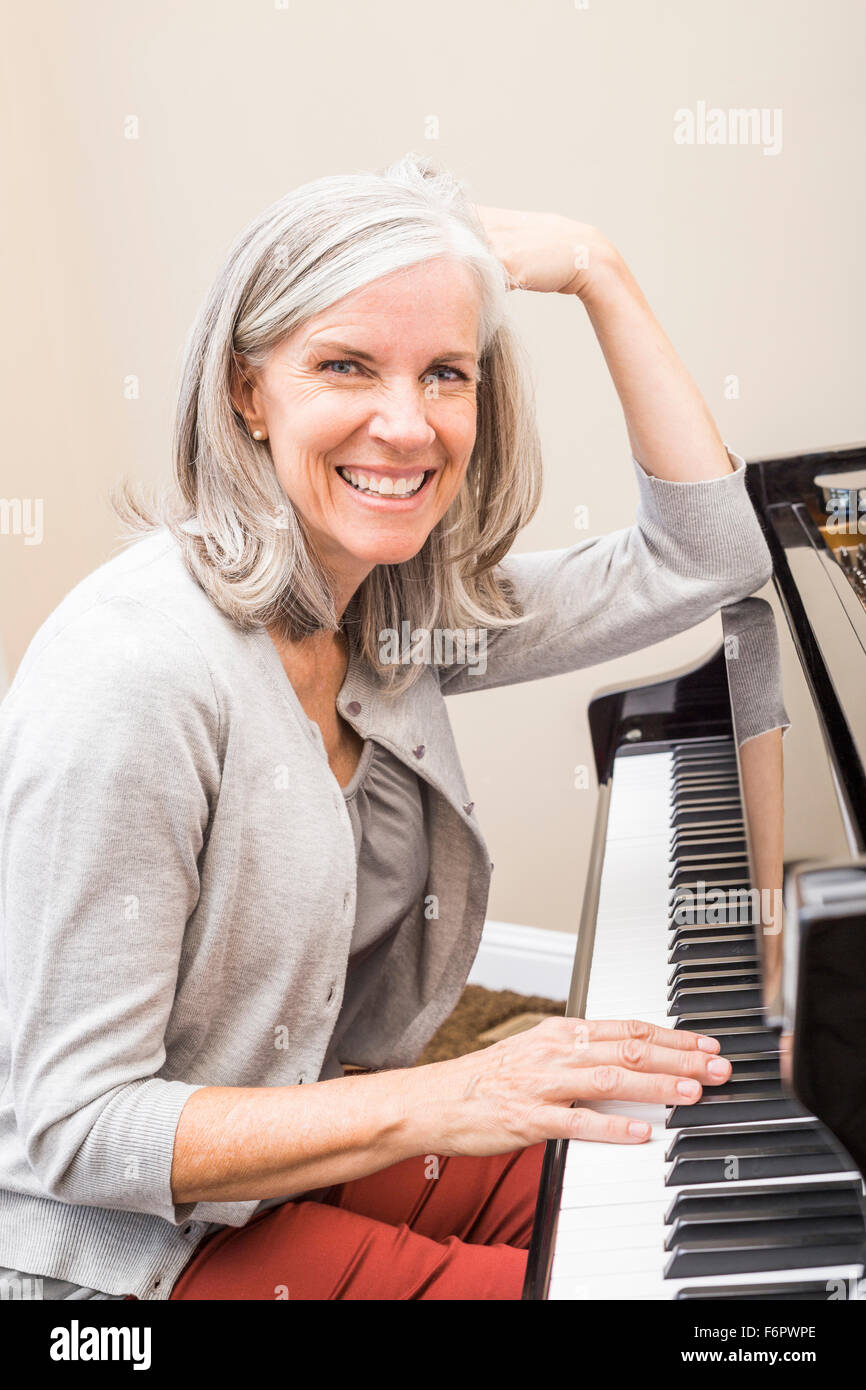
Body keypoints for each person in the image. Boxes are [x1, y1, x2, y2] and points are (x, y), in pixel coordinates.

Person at [0, 152, 773, 1301]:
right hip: (125, 1253)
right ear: (245, 393)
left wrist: (598, 270)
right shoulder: (135, 674)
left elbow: (708, 557)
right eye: (345, 365)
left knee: (690, 1173)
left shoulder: (384, 604)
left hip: (286, 1144)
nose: (406, 426)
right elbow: (67, 1129)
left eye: (445, 374)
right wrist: (447, 1094)